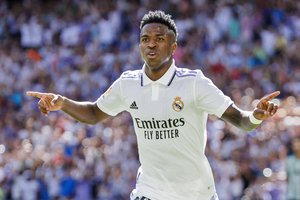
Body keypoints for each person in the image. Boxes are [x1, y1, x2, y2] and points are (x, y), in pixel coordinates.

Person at [27, 10, 280, 200]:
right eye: (145, 38)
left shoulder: (194, 83)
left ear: (173, 46)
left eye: (159, 39)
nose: (150, 43)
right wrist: (62, 103)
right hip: (149, 192)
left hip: (195, 193)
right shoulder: (128, 84)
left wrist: (256, 115)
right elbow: (93, 113)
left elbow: (240, 120)